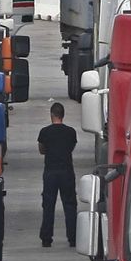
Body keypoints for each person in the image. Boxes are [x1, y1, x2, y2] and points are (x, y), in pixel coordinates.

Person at [38, 102, 79, 248]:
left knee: (48, 205)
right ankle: (73, 237)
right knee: (70, 204)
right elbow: (71, 147)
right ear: (63, 115)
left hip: (50, 172)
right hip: (66, 171)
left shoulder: (45, 132)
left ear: (51, 115)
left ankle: (46, 238)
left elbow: (41, 150)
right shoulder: (71, 132)